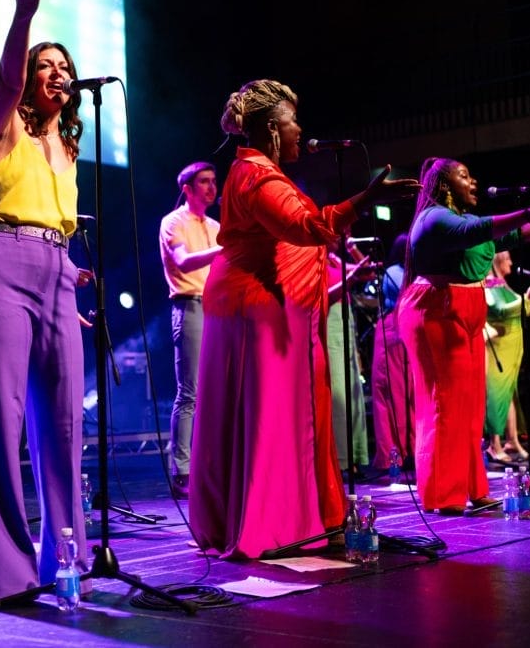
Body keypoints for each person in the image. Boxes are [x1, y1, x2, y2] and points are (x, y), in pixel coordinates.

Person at [187, 79, 419, 559]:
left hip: (262, 303)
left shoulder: (257, 172)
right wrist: (362, 199)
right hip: (257, 306)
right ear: (273, 127)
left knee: (273, 412)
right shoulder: (256, 176)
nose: (302, 130)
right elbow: (307, 226)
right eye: (295, 121)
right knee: (270, 413)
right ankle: (270, 522)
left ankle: (293, 514)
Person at [0, 0, 90, 606]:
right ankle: (6, 575)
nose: (58, 74)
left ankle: (67, 556)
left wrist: (70, 275)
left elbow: (58, 223)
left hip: (57, 275)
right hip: (1, 269)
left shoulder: (66, 149)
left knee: (64, 421)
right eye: (48, 66)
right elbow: (9, 77)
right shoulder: (4, 122)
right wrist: (23, 19)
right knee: (1, 419)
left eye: (65, 66)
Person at [397, 157, 530, 515]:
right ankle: (443, 494)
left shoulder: (462, 219)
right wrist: (528, 212)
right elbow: (476, 232)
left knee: (470, 403)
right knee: (444, 403)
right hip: (436, 308)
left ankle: (471, 487)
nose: (473, 181)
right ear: (445, 185)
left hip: (462, 306)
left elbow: (505, 236)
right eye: (464, 175)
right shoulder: (433, 217)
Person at [158, 161, 222, 499]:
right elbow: (183, 261)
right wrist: (227, 247)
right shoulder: (173, 222)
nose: (212, 188)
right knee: (190, 393)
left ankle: (210, 464)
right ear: (188, 189)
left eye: (214, 181)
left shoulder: (215, 225)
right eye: (204, 182)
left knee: (215, 392)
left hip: (218, 308)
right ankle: (181, 470)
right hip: (190, 306)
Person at [483, 249, 530, 465]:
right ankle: (494, 445)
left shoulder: (500, 283)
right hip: (500, 346)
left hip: (512, 347)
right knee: (496, 395)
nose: (512, 262)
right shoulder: (489, 283)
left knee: (509, 396)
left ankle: (513, 440)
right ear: (497, 260)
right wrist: (529, 298)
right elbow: (500, 310)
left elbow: (515, 304)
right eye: (507, 259)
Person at [326, 247, 375, 475]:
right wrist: (351, 278)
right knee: (339, 392)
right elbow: (323, 296)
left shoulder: (334, 259)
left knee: (352, 389)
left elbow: (369, 272)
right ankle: (340, 460)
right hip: (329, 322)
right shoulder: (312, 257)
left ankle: (354, 457)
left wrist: (352, 249)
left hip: (345, 320)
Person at [370, 233, 415, 472]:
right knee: (393, 393)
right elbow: (405, 294)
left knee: (410, 393)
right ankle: (394, 453)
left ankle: (412, 447)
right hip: (391, 333)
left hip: (405, 331)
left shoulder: (408, 273)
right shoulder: (396, 272)